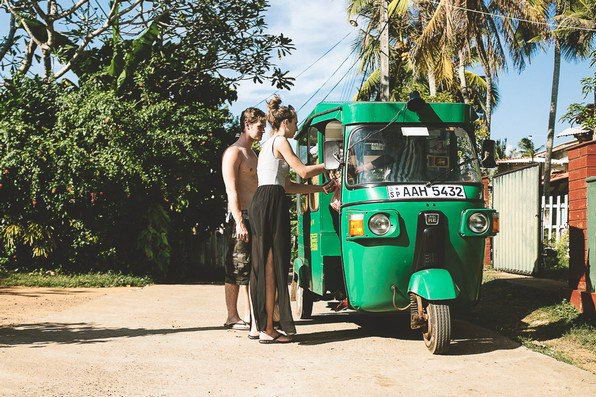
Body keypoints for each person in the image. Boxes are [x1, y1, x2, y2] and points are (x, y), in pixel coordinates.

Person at [249, 95, 335, 344]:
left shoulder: (268, 143)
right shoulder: (281, 141)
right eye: (295, 123)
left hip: (268, 198)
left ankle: (263, 325)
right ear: (286, 122)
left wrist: (321, 189)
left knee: (269, 265)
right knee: (272, 266)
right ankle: (267, 328)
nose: (297, 128)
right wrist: (331, 164)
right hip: (269, 203)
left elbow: (287, 185)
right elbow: (303, 171)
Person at [221, 107, 266, 336]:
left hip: (255, 216)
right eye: (259, 126)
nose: (263, 130)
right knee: (236, 267)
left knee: (252, 268)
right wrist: (239, 221)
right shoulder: (234, 152)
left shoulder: (254, 154)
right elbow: (232, 191)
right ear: (247, 125)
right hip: (240, 216)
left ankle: (251, 316)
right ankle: (232, 316)